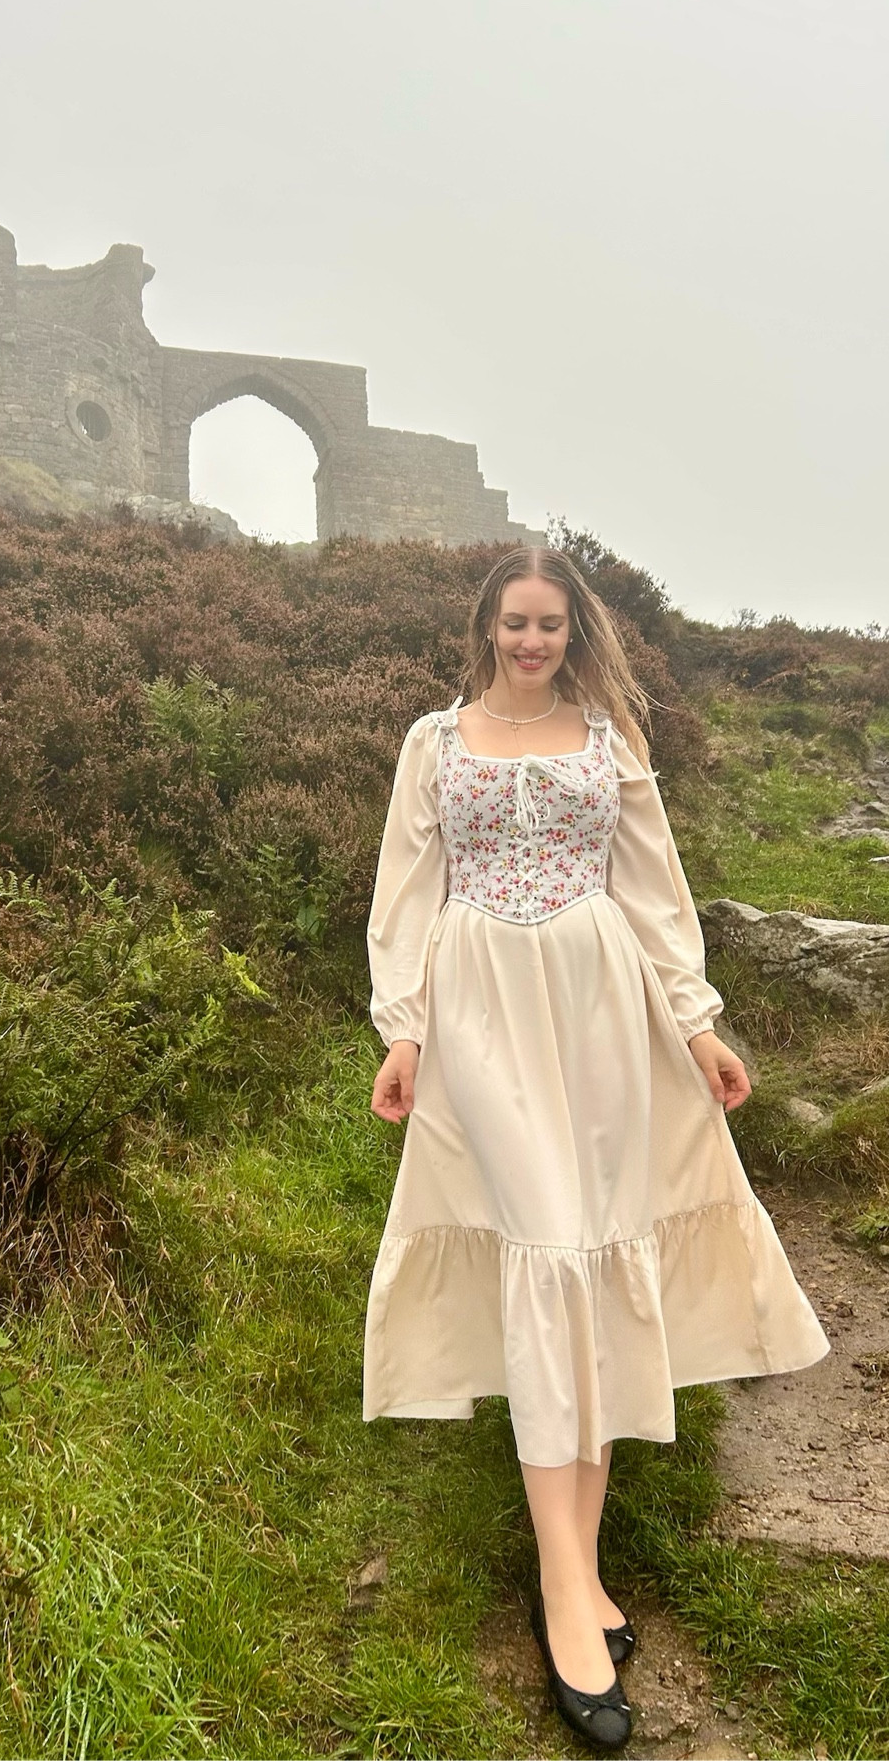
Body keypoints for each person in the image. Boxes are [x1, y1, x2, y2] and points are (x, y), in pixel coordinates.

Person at [363, 546, 830, 1752]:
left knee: (603, 1252)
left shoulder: (607, 741)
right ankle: (569, 1589)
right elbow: (404, 893)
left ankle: (573, 1566)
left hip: (602, 1009)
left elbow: (655, 889)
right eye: (514, 623)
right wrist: (402, 1031)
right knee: (543, 1248)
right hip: (478, 1015)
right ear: (486, 626)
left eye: (549, 627)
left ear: (574, 634)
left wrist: (699, 1020)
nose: (531, 642)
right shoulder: (435, 741)